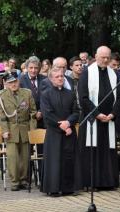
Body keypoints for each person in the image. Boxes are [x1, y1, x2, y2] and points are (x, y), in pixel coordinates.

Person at [78, 46, 120, 190]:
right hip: (92, 119)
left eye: (108, 57)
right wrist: (96, 114)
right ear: (96, 56)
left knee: (108, 151)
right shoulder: (87, 73)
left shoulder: (114, 74)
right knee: (92, 150)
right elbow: (83, 97)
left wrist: (112, 114)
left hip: (109, 120)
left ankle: (108, 182)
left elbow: (119, 98)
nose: (106, 60)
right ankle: (92, 183)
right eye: (103, 57)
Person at [41, 67, 80, 196]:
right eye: (57, 77)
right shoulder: (46, 94)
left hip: (69, 133)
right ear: (51, 79)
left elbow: (76, 112)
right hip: (54, 133)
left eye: (62, 76)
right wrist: (63, 125)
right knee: (54, 160)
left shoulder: (70, 94)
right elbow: (47, 114)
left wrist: (69, 123)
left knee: (68, 160)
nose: (60, 78)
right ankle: (53, 188)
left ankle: (68, 187)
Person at [0, 73, 36, 191]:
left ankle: (24, 180)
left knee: (25, 157)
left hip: (25, 128)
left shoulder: (27, 93)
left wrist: (32, 130)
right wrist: (4, 131)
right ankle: (14, 181)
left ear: (18, 81)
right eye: (10, 82)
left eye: (15, 81)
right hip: (11, 129)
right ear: (6, 84)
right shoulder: (1, 96)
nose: (13, 84)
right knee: (13, 158)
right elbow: (1, 116)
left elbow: (33, 113)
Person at [19, 56, 46, 128]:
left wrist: (41, 111)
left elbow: (47, 98)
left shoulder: (45, 80)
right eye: (31, 68)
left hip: (44, 116)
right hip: (28, 117)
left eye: (36, 68)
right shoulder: (21, 80)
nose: (33, 70)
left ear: (39, 68)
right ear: (27, 68)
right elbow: (21, 101)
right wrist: (33, 113)